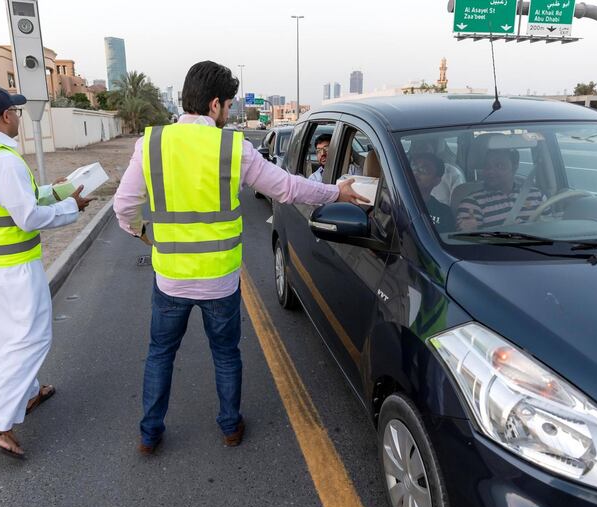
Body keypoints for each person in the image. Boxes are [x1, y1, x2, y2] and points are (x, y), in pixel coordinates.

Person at [113, 61, 367, 455]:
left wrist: (142, 233)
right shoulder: (232, 147)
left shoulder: (151, 144)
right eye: (229, 104)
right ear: (215, 105)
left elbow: (124, 205)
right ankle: (230, 426)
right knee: (226, 354)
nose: (228, 112)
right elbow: (285, 188)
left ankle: (149, 433)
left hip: (171, 280)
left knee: (161, 354)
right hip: (220, 280)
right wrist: (336, 192)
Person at [0, 84, 92, 458]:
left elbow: (4, 202)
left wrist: (55, 191)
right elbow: (27, 216)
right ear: (6, 116)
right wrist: (72, 207)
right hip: (11, 265)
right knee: (31, 337)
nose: (16, 118)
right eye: (13, 112)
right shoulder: (4, 159)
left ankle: (27, 395)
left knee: (2, 337)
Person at [456, 149, 543, 231]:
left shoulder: (536, 194)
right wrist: (470, 232)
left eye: (499, 165)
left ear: (515, 167)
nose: (490, 171)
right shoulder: (472, 203)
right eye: (486, 166)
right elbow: (467, 243)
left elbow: (548, 226)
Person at [410, 138, 465, 205]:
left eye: (423, 170)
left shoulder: (452, 173)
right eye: (416, 147)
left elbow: (458, 205)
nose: (415, 173)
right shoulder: (400, 171)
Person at [411, 153, 455, 232]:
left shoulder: (444, 212)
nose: (415, 173)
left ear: (436, 181)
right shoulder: (393, 200)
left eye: (424, 170)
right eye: (413, 167)